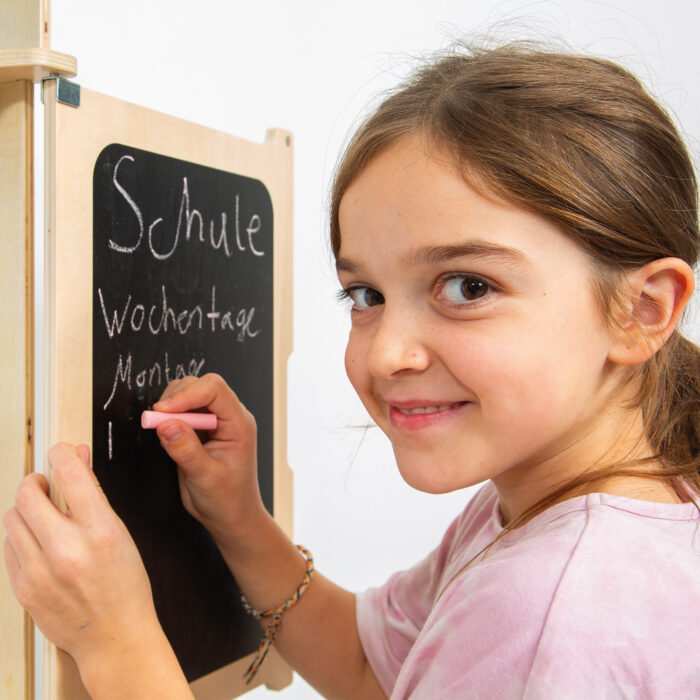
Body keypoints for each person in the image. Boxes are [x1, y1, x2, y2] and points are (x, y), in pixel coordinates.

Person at [4, 42, 700, 699]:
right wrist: (243, 521)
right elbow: (372, 671)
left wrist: (117, 643)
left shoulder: (553, 619)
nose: (387, 352)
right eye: (365, 296)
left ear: (641, 311)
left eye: (467, 286)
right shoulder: (552, 509)